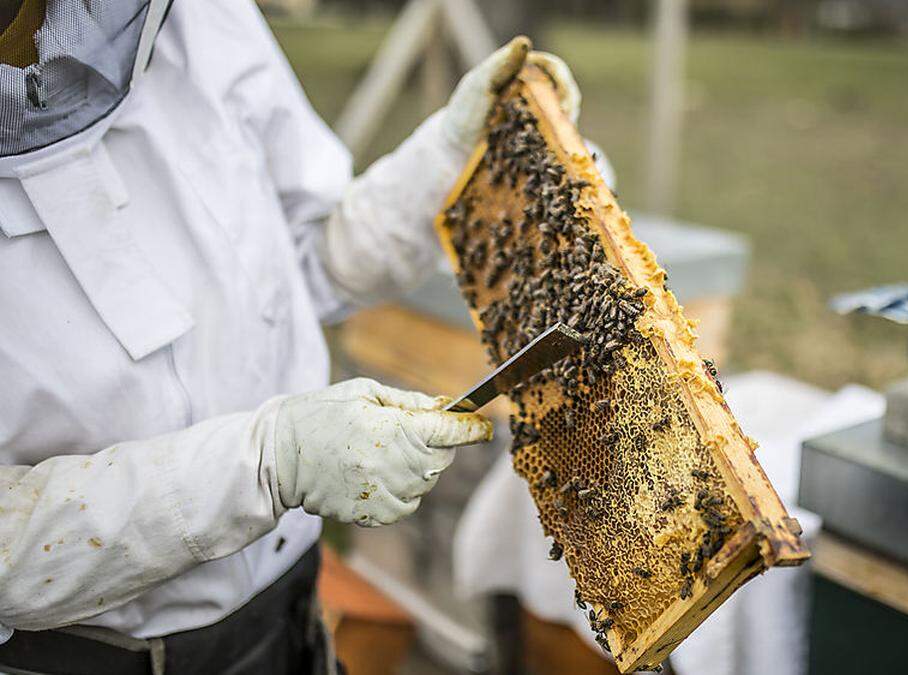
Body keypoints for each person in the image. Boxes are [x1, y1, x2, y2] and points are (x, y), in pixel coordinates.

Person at [0, 0, 580, 672]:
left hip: (293, 620)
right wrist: (266, 462)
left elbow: (306, 257)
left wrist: (450, 161)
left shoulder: (202, 19)